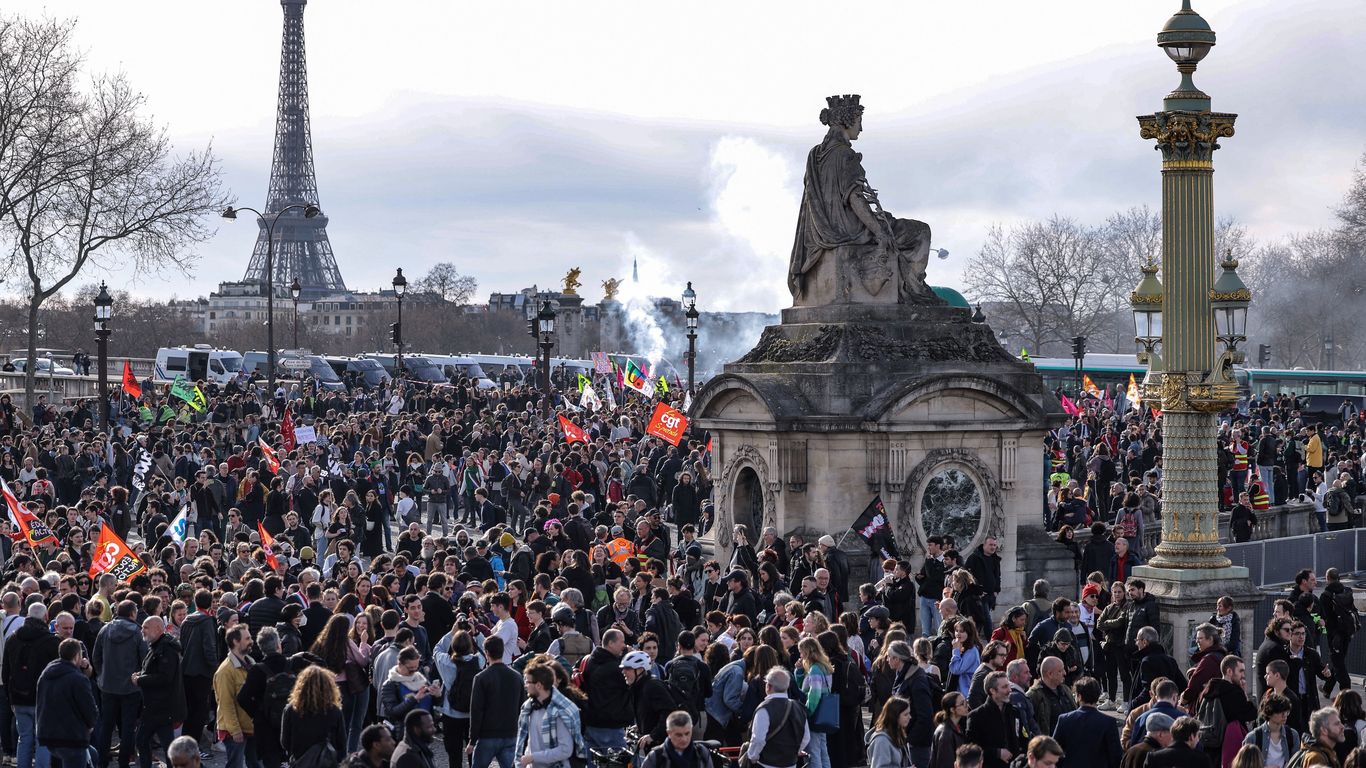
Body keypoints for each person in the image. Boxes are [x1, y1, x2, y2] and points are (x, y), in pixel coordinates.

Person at [92, 600, 150, 768]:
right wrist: (139, 678)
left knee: (107, 726)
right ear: (132, 613)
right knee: (128, 727)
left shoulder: (105, 629)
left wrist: (102, 676)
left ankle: (102, 762)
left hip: (108, 686)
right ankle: (124, 762)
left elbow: (96, 656)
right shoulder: (137, 632)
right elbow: (144, 659)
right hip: (131, 688)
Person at [35, 639, 99, 768]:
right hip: (72, 736)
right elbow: (89, 708)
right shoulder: (78, 679)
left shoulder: (46, 674)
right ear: (77, 656)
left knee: (92, 754)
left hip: (50, 734)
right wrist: (91, 724)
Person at [133, 615, 186, 768]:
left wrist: (140, 680)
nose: (142, 630)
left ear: (158, 629)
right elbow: (153, 670)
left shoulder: (166, 649)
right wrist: (141, 675)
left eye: (146, 627)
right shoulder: (157, 646)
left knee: (166, 747)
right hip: (155, 707)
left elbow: (164, 678)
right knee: (143, 740)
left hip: (162, 708)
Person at [514, 662, 586, 768]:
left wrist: (533, 757)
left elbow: (565, 750)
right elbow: (531, 742)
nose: (525, 685)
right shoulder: (529, 707)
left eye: (528, 682)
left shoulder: (559, 712)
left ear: (538, 685)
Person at [468, 635, 523, 768]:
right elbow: (522, 707)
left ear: (486, 653)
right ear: (503, 651)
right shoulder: (517, 676)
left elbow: (476, 710)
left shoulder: (481, 678)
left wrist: (472, 739)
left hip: (487, 735)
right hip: (511, 734)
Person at [280, 665, 347, 765]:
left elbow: (285, 742)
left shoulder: (291, 710)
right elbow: (341, 743)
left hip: (300, 761)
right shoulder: (334, 711)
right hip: (326, 762)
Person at [746, 668, 811, 768]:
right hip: (790, 763)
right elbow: (806, 737)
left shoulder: (764, 709)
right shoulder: (799, 707)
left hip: (766, 764)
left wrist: (752, 757)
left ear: (768, 686)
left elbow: (758, 739)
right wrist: (794, 752)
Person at [1052, 678, 1122, 768]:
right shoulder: (1108, 722)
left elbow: (1054, 750)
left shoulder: (1064, 719)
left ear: (1079, 696)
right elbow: (1116, 756)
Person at [214, 624, 257, 768]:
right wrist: (235, 730)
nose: (251, 641)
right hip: (235, 731)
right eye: (247, 638)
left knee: (255, 763)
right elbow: (225, 703)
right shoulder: (225, 671)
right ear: (235, 642)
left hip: (249, 727)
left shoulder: (250, 662)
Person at [964, 671, 1020, 768]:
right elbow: (972, 748)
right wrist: (997, 753)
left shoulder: (1014, 711)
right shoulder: (977, 716)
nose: (1009, 690)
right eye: (1004, 687)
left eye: (1009, 686)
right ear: (992, 691)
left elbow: (1021, 736)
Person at [798, 637, 835, 768]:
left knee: (813, 751)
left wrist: (808, 711)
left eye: (801, 652)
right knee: (823, 749)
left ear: (807, 652)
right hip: (824, 713)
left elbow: (815, 693)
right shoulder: (825, 667)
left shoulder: (814, 670)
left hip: (815, 713)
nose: (800, 655)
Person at [1241, 693, 1298, 768]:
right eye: (1280, 712)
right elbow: (1244, 765)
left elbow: (1297, 763)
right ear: (1269, 713)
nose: (1285, 716)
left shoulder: (1292, 735)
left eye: (1287, 712)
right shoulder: (1253, 737)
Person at [640, 711, 714, 768]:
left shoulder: (701, 753)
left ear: (691, 729)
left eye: (687, 733)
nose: (684, 739)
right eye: (679, 735)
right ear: (669, 733)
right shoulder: (656, 757)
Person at [1025, 657, 1075, 739]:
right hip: (1050, 747)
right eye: (1060, 671)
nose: (1065, 673)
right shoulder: (1034, 696)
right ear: (1050, 674)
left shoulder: (1065, 690)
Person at [1146, 716, 1211, 768]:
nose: (1198, 740)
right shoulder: (1201, 759)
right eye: (1198, 735)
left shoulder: (1153, 757)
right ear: (1191, 736)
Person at [930, 692, 970, 768]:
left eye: (966, 701)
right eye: (962, 703)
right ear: (952, 709)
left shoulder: (957, 726)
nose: (966, 705)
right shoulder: (946, 734)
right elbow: (945, 764)